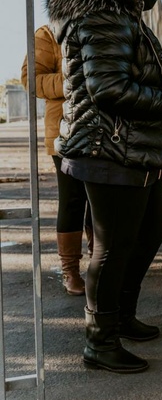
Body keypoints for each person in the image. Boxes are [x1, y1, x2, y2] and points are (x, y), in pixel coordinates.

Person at [46, 0, 162, 374]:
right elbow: (109, 90)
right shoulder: (104, 14)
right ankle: (100, 341)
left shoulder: (125, 15)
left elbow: (132, 74)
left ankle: (122, 316)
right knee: (112, 248)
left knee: (152, 230)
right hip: (107, 150)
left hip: (131, 150)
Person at [21, 25, 93, 296]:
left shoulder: (96, 29)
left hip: (102, 129)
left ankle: (100, 262)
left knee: (99, 200)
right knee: (73, 199)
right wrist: (70, 80)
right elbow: (31, 80)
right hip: (65, 132)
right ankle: (71, 270)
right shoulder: (47, 35)